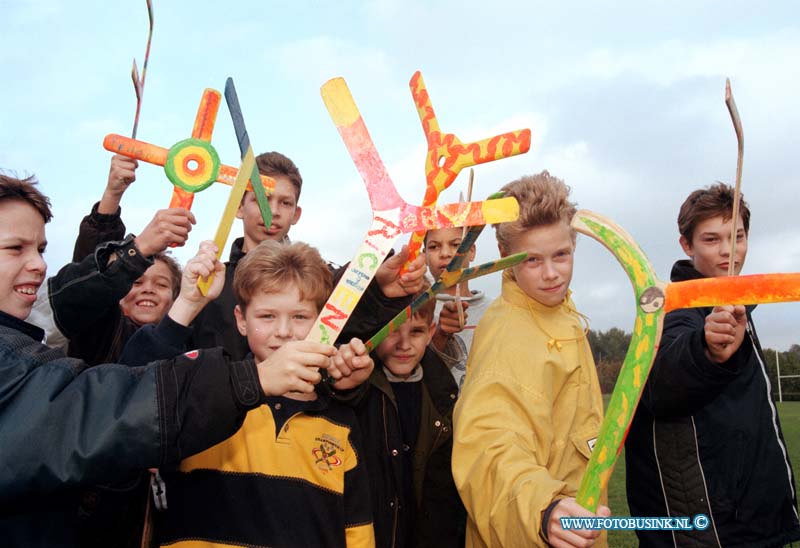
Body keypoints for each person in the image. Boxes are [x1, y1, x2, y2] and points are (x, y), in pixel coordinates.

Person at [0, 173, 338, 547]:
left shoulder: (23, 347)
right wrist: (251, 381)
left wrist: (188, 303)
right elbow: (109, 406)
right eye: (15, 249)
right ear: (241, 320)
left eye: (42, 250)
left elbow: (122, 389)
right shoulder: (15, 364)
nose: (39, 265)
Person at [124, 240, 375, 547]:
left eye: (299, 317)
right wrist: (187, 304)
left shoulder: (340, 420)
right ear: (242, 320)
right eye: (267, 316)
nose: (283, 331)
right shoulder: (206, 393)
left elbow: (357, 528)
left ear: (322, 322)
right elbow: (128, 400)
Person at [624, 183, 800, 547]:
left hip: (751, 522)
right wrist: (706, 350)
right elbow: (659, 384)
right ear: (686, 246)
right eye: (711, 239)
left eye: (737, 236)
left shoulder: (738, 304)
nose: (728, 251)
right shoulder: (671, 310)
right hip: (709, 532)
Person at [452, 171, 610, 547]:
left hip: (579, 521)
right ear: (506, 258)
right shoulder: (508, 333)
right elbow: (489, 447)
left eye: (561, 255)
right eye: (533, 261)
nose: (552, 274)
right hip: (539, 529)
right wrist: (544, 509)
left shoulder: (560, 313)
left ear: (574, 243)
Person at [189, 151, 427, 360]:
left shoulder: (317, 279)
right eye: (261, 199)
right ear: (239, 207)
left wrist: (378, 289)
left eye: (285, 203)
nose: (272, 212)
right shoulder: (208, 283)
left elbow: (346, 325)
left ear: (296, 213)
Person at [353, 280, 464, 548]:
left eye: (416, 332)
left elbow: (444, 497)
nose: (404, 345)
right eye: (392, 332)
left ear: (431, 332)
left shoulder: (444, 395)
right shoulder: (357, 392)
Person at [424, 226, 490, 391]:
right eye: (434, 247)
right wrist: (441, 335)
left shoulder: (495, 310)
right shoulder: (416, 311)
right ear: (424, 256)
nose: (445, 253)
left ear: (472, 251)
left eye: (455, 244)